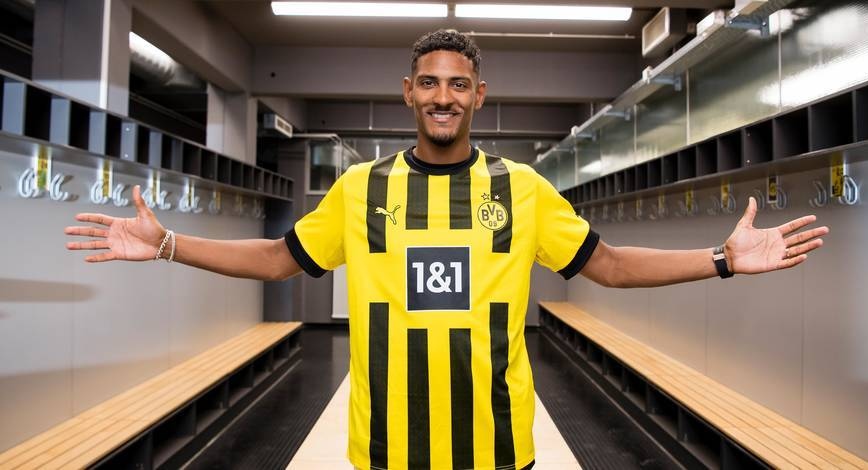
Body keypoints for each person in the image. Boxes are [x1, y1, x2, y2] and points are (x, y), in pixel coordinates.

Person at [65, 30, 828, 470]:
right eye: (429, 83)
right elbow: (276, 259)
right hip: (385, 446)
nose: (442, 97)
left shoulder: (523, 188)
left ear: (478, 96)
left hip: (497, 443)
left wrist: (722, 259)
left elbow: (611, 265)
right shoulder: (360, 188)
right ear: (408, 91)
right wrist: (168, 243)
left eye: (458, 85)